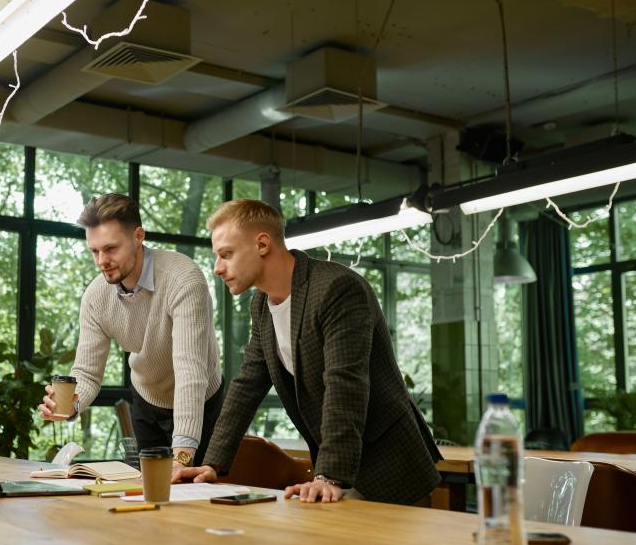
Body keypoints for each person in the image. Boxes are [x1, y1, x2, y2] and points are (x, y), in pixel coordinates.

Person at [176, 199, 442, 504]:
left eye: (226, 254)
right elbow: (247, 385)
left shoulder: (336, 288)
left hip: (390, 467)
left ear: (262, 244)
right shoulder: (261, 305)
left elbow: (345, 385)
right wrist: (211, 465)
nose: (217, 268)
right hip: (337, 473)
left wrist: (328, 474)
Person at [37, 194, 223, 478]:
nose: (102, 261)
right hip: (146, 399)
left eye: (111, 249)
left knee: (195, 492)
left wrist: (183, 457)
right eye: (94, 251)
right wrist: (70, 405)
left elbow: (190, 372)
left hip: (201, 401)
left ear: (138, 236)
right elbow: (87, 374)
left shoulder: (183, 280)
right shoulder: (96, 296)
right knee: (151, 494)